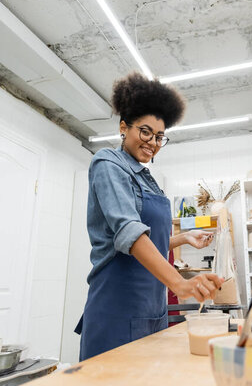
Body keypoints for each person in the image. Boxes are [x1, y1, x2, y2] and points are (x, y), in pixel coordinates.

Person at [75, 72, 224, 360]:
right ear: (123, 127)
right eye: (145, 131)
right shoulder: (108, 163)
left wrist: (182, 238)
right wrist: (180, 283)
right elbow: (129, 234)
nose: (153, 142)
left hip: (152, 308)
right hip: (118, 305)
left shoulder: (148, 179)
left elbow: (149, 240)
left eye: (159, 136)